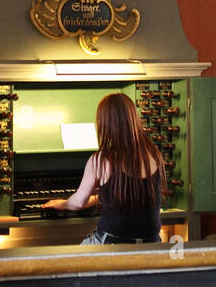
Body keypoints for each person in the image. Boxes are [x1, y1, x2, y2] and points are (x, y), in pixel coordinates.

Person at [43, 92, 165, 244]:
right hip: (152, 243)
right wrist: (98, 199)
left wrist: (62, 203)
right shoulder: (155, 155)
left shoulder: (101, 159)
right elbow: (132, 197)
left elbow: (78, 202)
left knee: (68, 261)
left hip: (112, 243)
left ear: (105, 124)